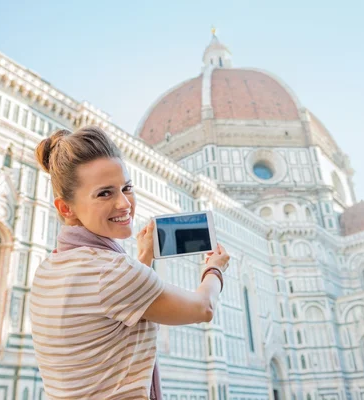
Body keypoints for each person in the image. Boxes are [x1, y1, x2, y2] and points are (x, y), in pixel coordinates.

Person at [30, 126, 231, 400]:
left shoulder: (49, 268)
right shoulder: (112, 272)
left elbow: (113, 311)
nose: (124, 203)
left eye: (127, 188)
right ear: (66, 208)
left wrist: (143, 258)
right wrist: (215, 268)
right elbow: (203, 308)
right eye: (105, 193)